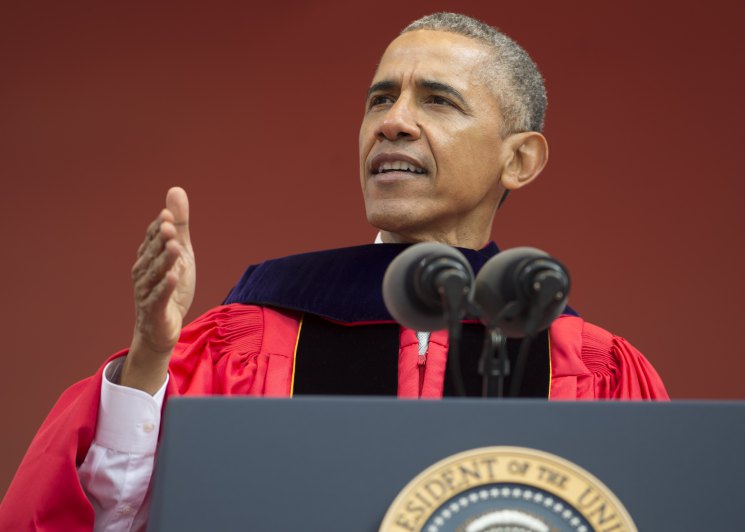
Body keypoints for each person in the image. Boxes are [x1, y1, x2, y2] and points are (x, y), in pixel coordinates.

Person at [0, 12, 668, 531]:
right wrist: (148, 360)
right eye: (380, 100)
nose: (393, 122)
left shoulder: (590, 368)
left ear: (518, 160)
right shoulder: (246, 336)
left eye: (436, 101)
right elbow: (111, 521)